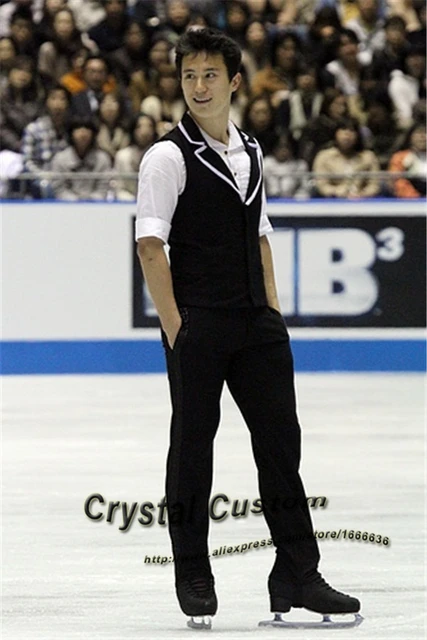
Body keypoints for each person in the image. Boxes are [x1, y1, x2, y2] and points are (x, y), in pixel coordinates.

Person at [135, 27, 361, 626]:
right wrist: (177, 328)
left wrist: (273, 309)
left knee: (281, 445)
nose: (198, 86)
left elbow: (260, 231)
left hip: (256, 323)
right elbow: (149, 246)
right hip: (199, 323)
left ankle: (297, 573)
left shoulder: (251, 150)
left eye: (210, 74)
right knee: (192, 448)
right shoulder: (166, 156)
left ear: (234, 81)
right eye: (188, 76)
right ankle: (193, 570)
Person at [312, 116, 381, 198]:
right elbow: (321, 185)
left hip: (362, 201)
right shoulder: (324, 156)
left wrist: (362, 194)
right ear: (336, 133)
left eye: (352, 131)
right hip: (333, 201)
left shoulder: (368, 157)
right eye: (343, 130)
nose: (347, 135)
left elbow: (374, 185)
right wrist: (337, 192)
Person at [50, 115, 112, 200]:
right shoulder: (60, 159)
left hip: (97, 206)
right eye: (78, 128)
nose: (83, 133)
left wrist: (90, 201)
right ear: (71, 133)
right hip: (67, 206)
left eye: (87, 128)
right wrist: (76, 202)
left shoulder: (102, 159)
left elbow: (103, 188)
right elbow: (60, 189)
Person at [388, 121, 426, 197]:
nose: (422, 137)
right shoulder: (399, 158)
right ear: (410, 137)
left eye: (425, 133)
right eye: (418, 133)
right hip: (411, 202)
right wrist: (418, 198)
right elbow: (396, 183)